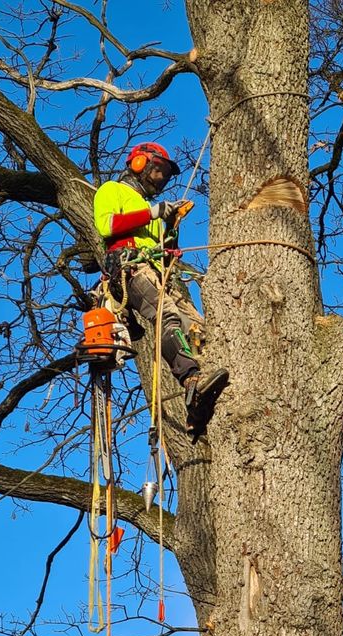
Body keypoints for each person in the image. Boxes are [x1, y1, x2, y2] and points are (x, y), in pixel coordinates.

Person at [93, 141, 228, 435]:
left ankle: (199, 397)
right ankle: (190, 378)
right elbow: (106, 226)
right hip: (129, 268)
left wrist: (172, 226)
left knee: (196, 326)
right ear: (139, 164)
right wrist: (156, 213)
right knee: (165, 315)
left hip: (158, 272)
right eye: (158, 170)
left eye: (165, 174)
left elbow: (165, 252)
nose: (161, 179)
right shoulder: (111, 191)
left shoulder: (147, 208)